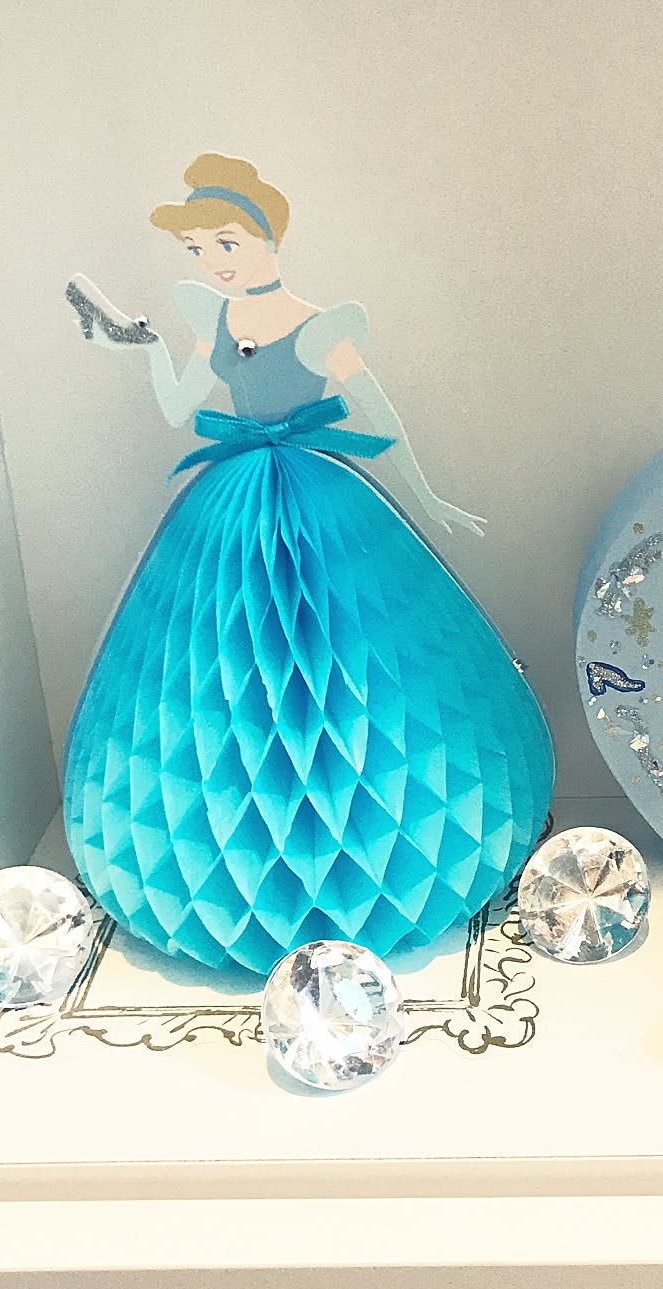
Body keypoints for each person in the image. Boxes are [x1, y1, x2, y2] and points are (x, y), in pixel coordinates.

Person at [61, 153, 553, 974]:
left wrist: (428, 494)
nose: (215, 261)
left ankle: (395, 856)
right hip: (233, 502)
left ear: (269, 238)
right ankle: (214, 873)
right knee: (219, 652)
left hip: (323, 497)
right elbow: (182, 404)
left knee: (362, 651)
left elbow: (377, 411)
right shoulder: (213, 320)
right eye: (197, 249)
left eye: (226, 241)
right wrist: (142, 348)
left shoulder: (321, 324)